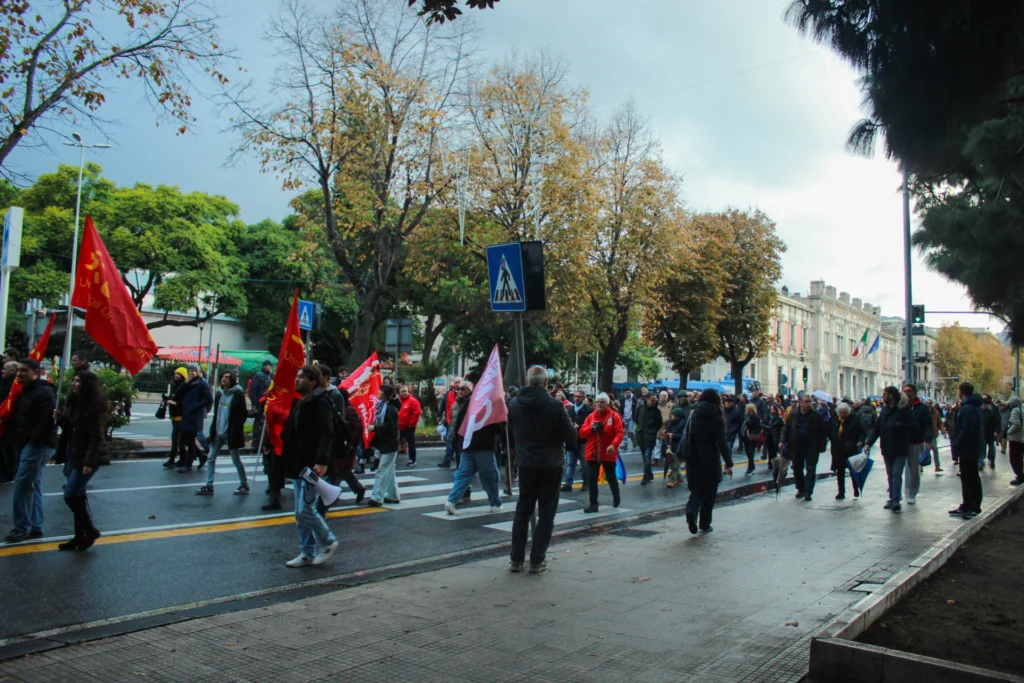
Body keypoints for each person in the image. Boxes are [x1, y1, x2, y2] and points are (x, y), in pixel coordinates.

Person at [507, 366, 578, 574]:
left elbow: (510, 432)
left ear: (528, 381)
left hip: (526, 463)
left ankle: (516, 559)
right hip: (550, 464)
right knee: (547, 513)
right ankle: (537, 560)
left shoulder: (514, 404)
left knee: (522, 510)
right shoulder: (556, 406)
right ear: (546, 382)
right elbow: (571, 439)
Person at [281, 365, 338, 567]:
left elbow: (327, 432)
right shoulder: (301, 402)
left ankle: (328, 540)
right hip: (299, 464)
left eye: (302, 377)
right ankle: (307, 552)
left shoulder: (320, 401)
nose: (296, 380)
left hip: (311, 466)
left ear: (313, 381)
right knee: (300, 512)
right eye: (296, 376)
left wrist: (322, 461)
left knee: (305, 510)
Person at [54, 371, 109, 550]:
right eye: (74, 380)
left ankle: (90, 530)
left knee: (70, 495)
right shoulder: (74, 403)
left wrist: (88, 462)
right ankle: (80, 537)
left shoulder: (93, 408)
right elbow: (71, 429)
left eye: (79, 381)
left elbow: (96, 438)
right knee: (78, 496)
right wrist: (60, 418)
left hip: (85, 458)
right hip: (73, 454)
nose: (74, 384)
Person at [4, 358, 57, 543]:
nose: (20, 374)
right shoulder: (23, 392)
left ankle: (22, 527)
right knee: (32, 485)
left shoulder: (44, 392)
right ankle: (35, 525)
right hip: (27, 443)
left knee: (22, 485)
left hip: (38, 445)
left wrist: (33, 440)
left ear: (36, 371)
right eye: (19, 370)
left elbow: (46, 420)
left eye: (24, 370)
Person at [443, 391, 503, 516]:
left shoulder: (467, 405)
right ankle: (495, 503)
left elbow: (458, 425)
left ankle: (451, 500)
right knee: (490, 476)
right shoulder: (489, 406)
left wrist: (457, 444)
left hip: (467, 444)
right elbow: (497, 428)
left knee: (463, 475)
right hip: (484, 446)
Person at [684, 388, 733, 534]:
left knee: (696, 491)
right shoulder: (717, 417)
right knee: (710, 493)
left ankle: (691, 511)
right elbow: (722, 443)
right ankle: (704, 524)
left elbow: (687, 434)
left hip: (693, 458)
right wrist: (728, 463)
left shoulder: (693, 413)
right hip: (711, 459)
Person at [195, 371, 250, 496]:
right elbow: (217, 414)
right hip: (219, 432)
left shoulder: (237, 394)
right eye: (223, 377)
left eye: (227, 377)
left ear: (232, 380)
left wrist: (235, 428)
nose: (224, 379)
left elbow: (243, 414)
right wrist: (214, 430)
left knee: (235, 459)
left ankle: (244, 484)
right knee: (210, 457)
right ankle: (209, 485)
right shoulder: (219, 395)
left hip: (230, 433)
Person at [864, 386, 911, 513]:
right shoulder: (884, 410)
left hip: (900, 448)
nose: (882, 396)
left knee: (896, 474)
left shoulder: (902, 410)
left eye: (885, 394)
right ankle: (892, 498)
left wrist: (899, 425)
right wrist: (868, 443)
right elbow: (877, 428)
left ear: (891, 396)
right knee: (890, 475)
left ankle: (896, 500)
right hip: (887, 447)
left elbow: (912, 425)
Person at [579, 393, 623, 513]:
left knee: (611, 477)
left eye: (602, 402)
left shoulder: (614, 416)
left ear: (607, 403)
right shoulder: (590, 417)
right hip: (593, 453)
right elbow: (582, 432)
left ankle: (616, 496)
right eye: (597, 402)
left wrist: (613, 445)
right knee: (592, 478)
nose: (599, 404)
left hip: (608, 453)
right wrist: (591, 429)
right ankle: (593, 504)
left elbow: (619, 433)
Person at [780, 394, 826, 502]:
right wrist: (782, 441)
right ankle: (800, 488)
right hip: (796, 446)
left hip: (812, 447)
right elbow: (786, 429)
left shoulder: (816, 416)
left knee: (810, 469)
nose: (808, 404)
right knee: (797, 469)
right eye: (806, 402)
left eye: (809, 402)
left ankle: (808, 491)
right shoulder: (793, 414)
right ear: (800, 403)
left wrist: (822, 446)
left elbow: (822, 432)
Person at [950, 382, 984, 518]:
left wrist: (958, 443)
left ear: (961, 392)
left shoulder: (968, 408)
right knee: (969, 476)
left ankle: (973, 506)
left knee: (969, 476)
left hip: (968, 448)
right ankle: (967, 504)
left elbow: (967, 429)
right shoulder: (974, 407)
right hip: (972, 447)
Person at [367, 384, 401, 507]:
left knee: (382, 470)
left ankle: (377, 497)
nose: (378, 392)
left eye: (380, 391)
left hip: (390, 443)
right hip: (386, 443)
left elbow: (391, 427)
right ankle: (393, 496)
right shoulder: (382, 406)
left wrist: (375, 427)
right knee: (389, 471)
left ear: (386, 394)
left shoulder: (391, 408)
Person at [175, 365, 212, 473]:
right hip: (186, 414)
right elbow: (177, 394)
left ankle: (188, 464)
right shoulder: (189, 383)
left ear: (198, 372)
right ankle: (201, 456)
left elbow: (208, 398)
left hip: (195, 415)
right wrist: (186, 382)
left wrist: (196, 406)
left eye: (193, 371)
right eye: (189, 371)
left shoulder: (202, 384)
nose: (191, 373)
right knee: (185, 439)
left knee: (189, 439)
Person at [902, 383, 933, 505]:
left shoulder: (922, 408)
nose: (907, 393)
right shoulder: (901, 406)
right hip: (901, 443)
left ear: (914, 393)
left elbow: (928, 424)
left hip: (915, 442)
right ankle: (904, 491)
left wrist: (928, 439)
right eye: (905, 391)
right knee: (900, 469)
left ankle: (912, 493)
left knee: (913, 469)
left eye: (909, 391)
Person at [830, 402, 864, 500]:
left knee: (853, 471)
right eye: (840, 413)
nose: (842, 415)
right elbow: (830, 432)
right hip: (838, 450)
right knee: (840, 472)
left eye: (844, 412)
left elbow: (861, 432)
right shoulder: (835, 420)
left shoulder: (854, 419)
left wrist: (860, 441)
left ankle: (855, 489)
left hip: (850, 449)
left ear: (848, 412)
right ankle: (841, 492)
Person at [561, 389, 593, 492]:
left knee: (584, 463)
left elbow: (591, 424)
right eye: (575, 396)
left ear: (584, 398)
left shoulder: (589, 410)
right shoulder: (570, 410)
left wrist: (581, 427)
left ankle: (586, 483)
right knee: (570, 463)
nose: (577, 398)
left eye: (579, 396)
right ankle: (568, 483)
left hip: (584, 440)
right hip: (572, 440)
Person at [161, 367, 189, 469]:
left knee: (176, 438)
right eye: (176, 373)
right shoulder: (173, 385)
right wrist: (165, 398)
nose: (177, 376)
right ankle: (184, 459)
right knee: (181, 440)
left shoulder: (184, 387)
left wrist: (174, 403)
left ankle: (172, 459)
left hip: (180, 416)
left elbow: (186, 402)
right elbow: (171, 397)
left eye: (179, 374)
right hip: (173, 415)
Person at [633, 393, 662, 485]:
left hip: (650, 436)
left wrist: (652, 430)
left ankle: (645, 475)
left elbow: (659, 423)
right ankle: (649, 473)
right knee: (644, 456)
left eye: (655, 400)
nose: (653, 402)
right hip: (641, 435)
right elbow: (636, 418)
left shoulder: (656, 411)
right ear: (647, 399)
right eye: (652, 400)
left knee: (647, 456)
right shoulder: (640, 408)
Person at [0, 360, 19, 483]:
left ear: (13, 370)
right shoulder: (4, 382)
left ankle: (10, 472)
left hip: (9, 420)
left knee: (8, 447)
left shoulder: (13, 384)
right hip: (3, 418)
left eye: (5, 368)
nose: (3, 370)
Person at [248, 360, 273, 448]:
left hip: (265, 403)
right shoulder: (259, 376)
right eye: (270, 367)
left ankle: (259, 442)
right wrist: (255, 404)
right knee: (258, 423)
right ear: (266, 366)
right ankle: (256, 442)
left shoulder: (268, 376)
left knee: (261, 423)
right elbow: (253, 391)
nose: (271, 369)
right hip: (260, 404)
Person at [437, 379, 461, 468]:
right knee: (449, 440)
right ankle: (447, 459)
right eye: (456, 382)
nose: (457, 384)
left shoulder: (464, 394)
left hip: (460, 422)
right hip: (450, 421)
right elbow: (443, 404)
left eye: (459, 382)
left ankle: (459, 463)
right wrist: (439, 414)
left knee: (459, 442)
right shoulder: (449, 394)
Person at [397, 384, 422, 467]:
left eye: (405, 391)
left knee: (411, 444)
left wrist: (411, 424)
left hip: (409, 427)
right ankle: (393, 460)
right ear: (399, 393)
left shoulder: (413, 401)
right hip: (399, 426)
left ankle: (412, 460)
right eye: (402, 391)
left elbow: (416, 413)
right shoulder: (398, 401)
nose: (404, 393)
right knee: (396, 443)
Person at [664, 406, 687, 488]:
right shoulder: (671, 422)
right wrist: (666, 432)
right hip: (670, 445)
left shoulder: (682, 424)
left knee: (674, 464)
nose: (671, 416)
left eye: (673, 415)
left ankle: (672, 479)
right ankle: (679, 478)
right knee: (673, 462)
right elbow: (669, 429)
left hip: (678, 446)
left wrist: (673, 435)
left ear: (677, 417)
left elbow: (682, 436)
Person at [1005, 395, 1023, 486]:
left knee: (1015, 459)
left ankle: (1020, 476)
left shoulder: (1015, 410)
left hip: (1016, 439)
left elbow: (1016, 424)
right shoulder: (1021, 408)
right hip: (1021, 438)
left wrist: (1008, 432)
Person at [740, 403, 762, 476]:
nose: (745, 409)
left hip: (753, 437)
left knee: (750, 452)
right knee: (748, 452)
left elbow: (758, 428)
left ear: (750, 409)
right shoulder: (745, 416)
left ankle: (750, 468)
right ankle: (752, 466)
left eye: (747, 408)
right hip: (745, 437)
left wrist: (751, 433)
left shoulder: (755, 418)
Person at [981, 395, 999, 470]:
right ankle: (981, 462)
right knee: (982, 448)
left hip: (991, 432)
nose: (984, 405)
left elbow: (996, 421)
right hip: (982, 433)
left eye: (985, 404)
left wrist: (996, 430)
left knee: (991, 448)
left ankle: (992, 460)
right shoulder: (979, 411)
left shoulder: (992, 410)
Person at [763, 403, 784, 470]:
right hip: (768, 436)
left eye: (773, 409)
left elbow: (783, 427)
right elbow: (763, 425)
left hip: (775, 436)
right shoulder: (767, 417)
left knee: (774, 451)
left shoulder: (778, 419)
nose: (772, 410)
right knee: (770, 451)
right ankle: (770, 462)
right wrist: (767, 428)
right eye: (771, 409)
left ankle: (773, 463)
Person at [655, 391, 672, 465]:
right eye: (661, 395)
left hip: (668, 427)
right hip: (658, 427)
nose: (663, 397)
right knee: (657, 443)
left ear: (667, 397)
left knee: (668, 444)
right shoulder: (656, 405)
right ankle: (656, 458)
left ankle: (669, 458)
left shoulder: (671, 406)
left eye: (664, 395)